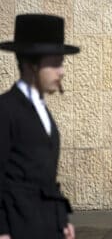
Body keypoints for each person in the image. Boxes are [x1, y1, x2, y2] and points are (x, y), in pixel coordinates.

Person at [0, 14, 80, 239]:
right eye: (55, 63)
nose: (61, 71)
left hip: (48, 228)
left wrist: (62, 221)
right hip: (19, 229)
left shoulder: (42, 112)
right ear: (31, 64)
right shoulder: (6, 110)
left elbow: (46, 179)